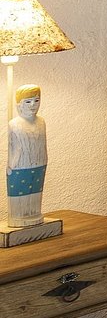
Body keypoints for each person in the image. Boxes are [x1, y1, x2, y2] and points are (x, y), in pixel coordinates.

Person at [7, 86, 48, 228]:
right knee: (20, 191)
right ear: (19, 104)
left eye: (36, 100)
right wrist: (11, 165)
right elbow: (12, 147)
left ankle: (34, 212)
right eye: (28, 101)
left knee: (35, 190)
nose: (33, 105)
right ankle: (18, 215)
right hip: (20, 165)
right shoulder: (14, 124)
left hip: (40, 162)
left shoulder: (41, 122)